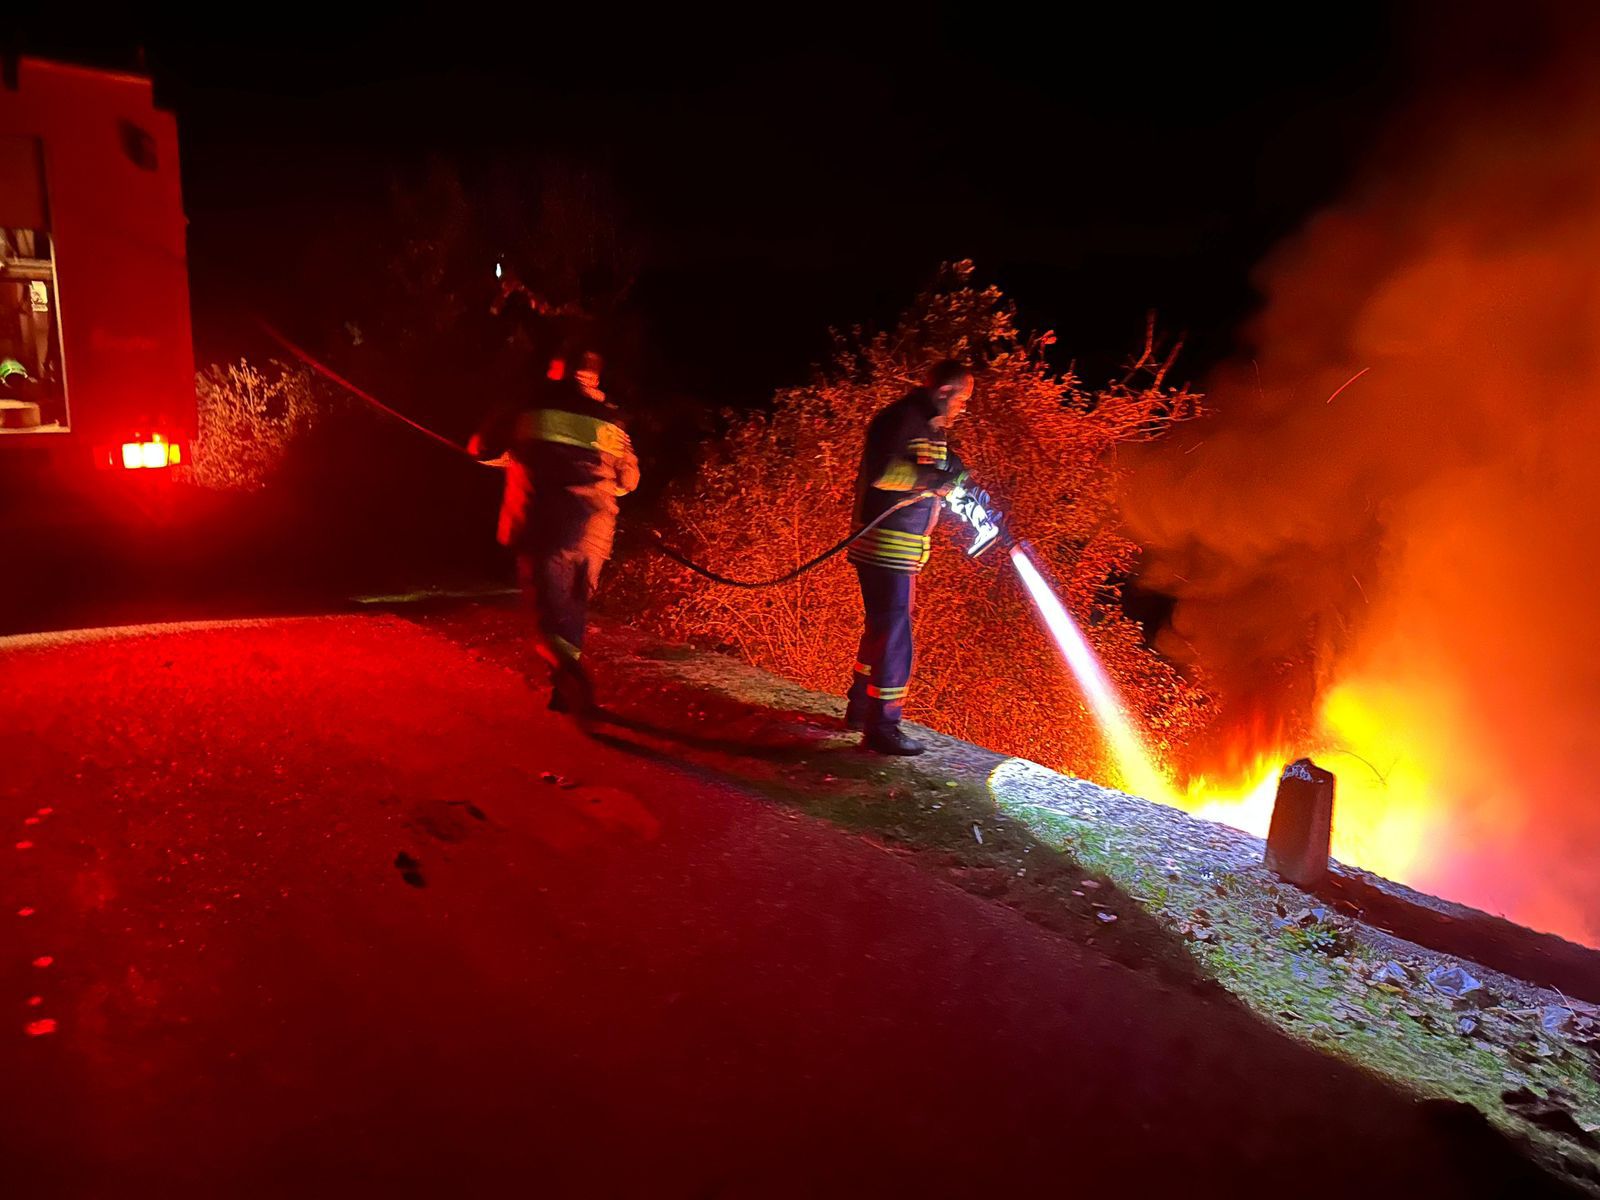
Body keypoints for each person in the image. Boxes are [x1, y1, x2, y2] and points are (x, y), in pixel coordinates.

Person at [469, 347, 639, 715]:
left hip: (544, 525)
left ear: (557, 372)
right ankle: (562, 691)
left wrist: (513, 457)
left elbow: (481, 449)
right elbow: (629, 480)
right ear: (594, 378)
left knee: (544, 614)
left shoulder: (529, 406)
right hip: (596, 531)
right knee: (574, 609)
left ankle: (572, 676)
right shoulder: (613, 421)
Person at [845, 360, 974, 755]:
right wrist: (935, 481)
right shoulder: (902, 419)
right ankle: (883, 726)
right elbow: (886, 473)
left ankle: (861, 706)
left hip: (898, 546)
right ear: (945, 392)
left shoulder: (928, 427)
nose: (963, 409)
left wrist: (959, 476)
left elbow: (940, 469)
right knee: (896, 632)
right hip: (886, 543)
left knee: (883, 626)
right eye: (962, 399)